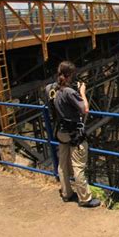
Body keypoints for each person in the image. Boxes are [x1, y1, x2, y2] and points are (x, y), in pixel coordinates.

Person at [46, 61, 101, 208]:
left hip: (60, 132)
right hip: (74, 133)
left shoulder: (49, 88)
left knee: (62, 164)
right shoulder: (69, 92)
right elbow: (85, 109)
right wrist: (82, 92)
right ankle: (85, 199)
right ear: (70, 75)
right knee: (78, 166)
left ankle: (66, 193)